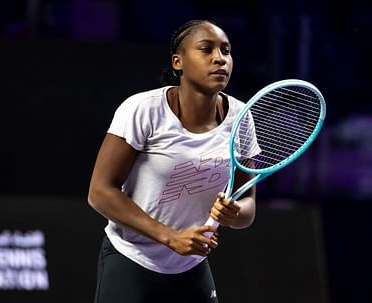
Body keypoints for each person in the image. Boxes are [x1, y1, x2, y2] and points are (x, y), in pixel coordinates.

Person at [87, 19, 256, 303]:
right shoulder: (143, 110)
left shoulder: (241, 118)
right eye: (206, 49)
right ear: (179, 62)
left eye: (226, 51)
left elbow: (248, 208)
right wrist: (169, 237)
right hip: (132, 259)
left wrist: (234, 212)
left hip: (190, 266)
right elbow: (100, 192)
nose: (219, 59)